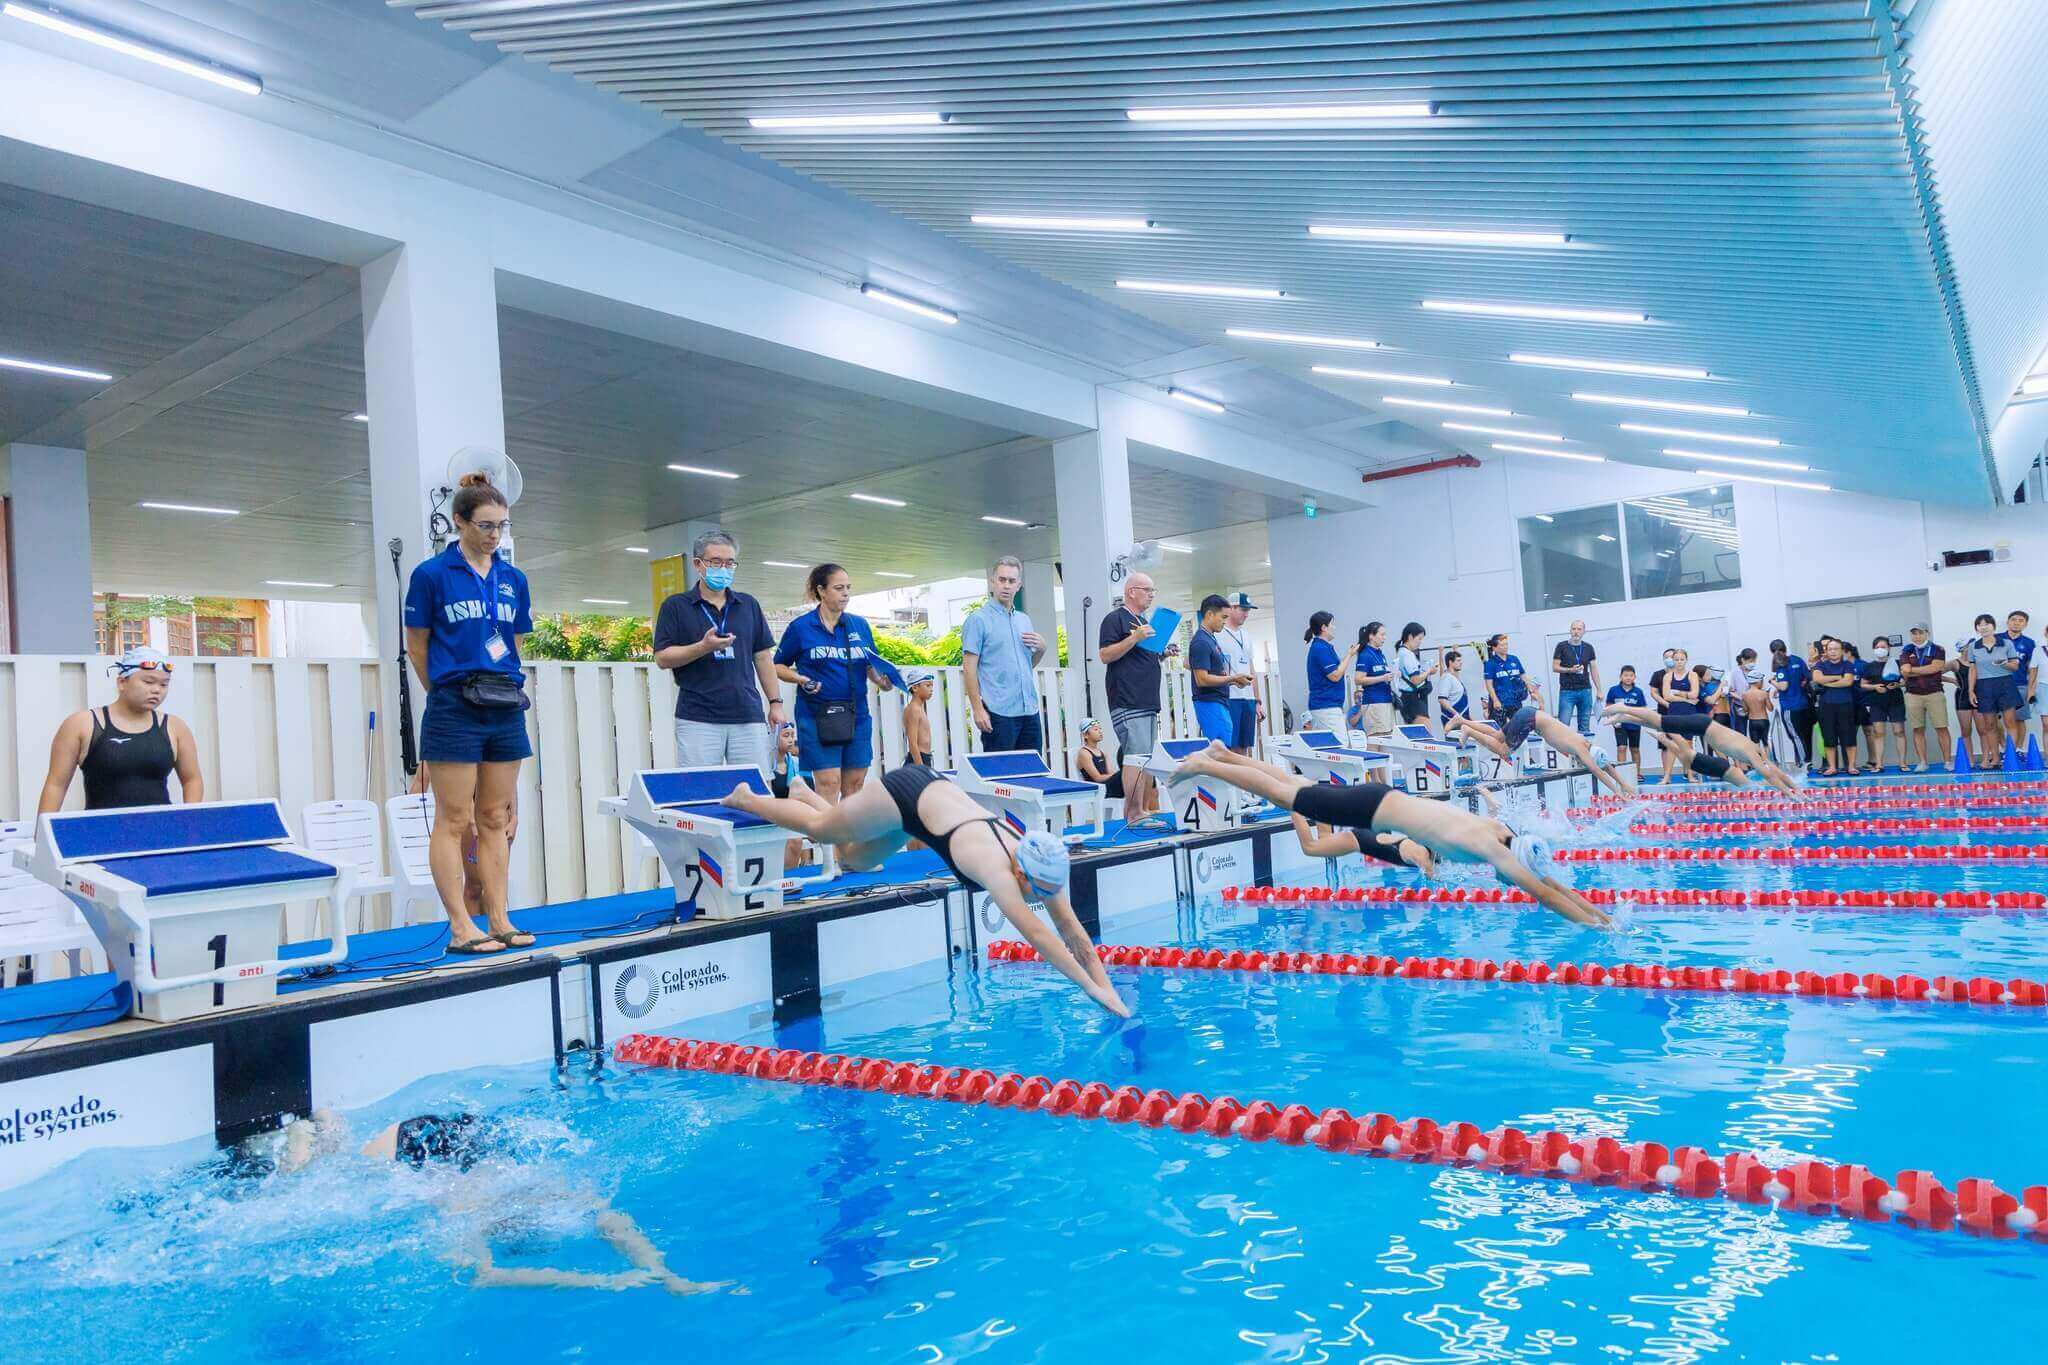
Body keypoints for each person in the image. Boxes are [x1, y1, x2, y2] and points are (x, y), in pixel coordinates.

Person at [724, 767, 1129, 1015]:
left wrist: (1109, 992)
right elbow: (1040, 935)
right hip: (906, 795)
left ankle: (803, 794)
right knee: (823, 829)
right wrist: (1089, 989)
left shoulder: (1042, 863)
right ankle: (749, 797)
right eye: (1036, 896)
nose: (1041, 903)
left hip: (932, 808)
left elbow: (1073, 932)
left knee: (855, 860)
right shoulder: (995, 869)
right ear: (1022, 876)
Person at [268, 1110, 733, 1296]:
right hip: (425, 1145)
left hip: (473, 1142)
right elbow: (486, 1276)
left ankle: (322, 1127)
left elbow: (614, 1223)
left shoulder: (539, 1198)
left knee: (348, 1173)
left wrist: (660, 1277)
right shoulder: (475, 1214)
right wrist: (610, 1279)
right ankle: (309, 1134)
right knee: (331, 1178)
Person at [1171, 742, 1611, 927]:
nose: (1517, 878)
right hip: (1372, 808)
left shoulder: (1499, 831)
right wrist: (1595, 928)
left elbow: (1549, 882)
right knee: (1288, 796)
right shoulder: (1492, 851)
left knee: (1294, 788)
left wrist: (1602, 916)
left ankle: (1223, 754)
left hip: (1381, 798)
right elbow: (1545, 894)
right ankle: (1207, 765)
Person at [403, 473, 533, 956]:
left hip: (502, 703)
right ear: (459, 522)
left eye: (501, 525)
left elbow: (514, 645)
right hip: (454, 704)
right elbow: (417, 646)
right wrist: (443, 691)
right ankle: (461, 924)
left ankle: (498, 918)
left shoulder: (513, 579)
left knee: (495, 816)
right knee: (454, 818)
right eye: (484, 525)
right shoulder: (431, 575)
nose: (494, 535)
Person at [652, 528, 783, 778]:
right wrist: (704, 647)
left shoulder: (748, 604)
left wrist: (775, 703)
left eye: (729, 562)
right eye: (716, 562)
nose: (724, 568)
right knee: (701, 790)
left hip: (747, 713)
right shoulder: (676, 606)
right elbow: (662, 657)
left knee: (755, 791)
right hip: (698, 716)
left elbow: (763, 657)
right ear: (698, 564)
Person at [774, 563, 906, 804]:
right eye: (838, 588)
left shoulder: (859, 625)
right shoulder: (801, 627)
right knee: (828, 782)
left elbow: (869, 664)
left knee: (855, 785)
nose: (845, 593)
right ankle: (825, 840)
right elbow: (778, 666)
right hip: (817, 715)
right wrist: (800, 678)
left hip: (856, 715)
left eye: (848, 588)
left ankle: (845, 841)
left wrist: (881, 680)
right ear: (821, 591)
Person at [38, 646, 203, 814]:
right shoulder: (82, 725)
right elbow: (56, 785)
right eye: (148, 682)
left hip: (161, 831)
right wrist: (42, 835)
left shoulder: (175, 728)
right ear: (122, 682)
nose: (157, 690)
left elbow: (192, 780)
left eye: (164, 684)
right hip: (102, 832)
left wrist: (189, 823)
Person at [1600, 701, 1803, 795]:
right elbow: (1769, 775)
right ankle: (1623, 708)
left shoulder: (1755, 751)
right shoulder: (1752, 754)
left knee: (1659, 724)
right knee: (1660, 720)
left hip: (1702, 726)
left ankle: (1625, 716)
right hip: (1702, 726)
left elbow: (1774, 772)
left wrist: (1795, 789)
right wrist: (1789, 794)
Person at [1455, 702, 1638, 798]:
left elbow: (1604, 765)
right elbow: (1598, 770)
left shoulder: (1587, 745)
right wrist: (1617, 792)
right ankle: (1469, 731)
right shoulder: (1581, 749)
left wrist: (1625, 785)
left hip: (1529, 713)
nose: (1583, 762)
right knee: (1504, 751)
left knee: (1498, 736)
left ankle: (1463, 722)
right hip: (1530, 720)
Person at [960, 556, 1047, 755]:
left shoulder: (1024, 620)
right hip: (998, 712)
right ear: (992, 582)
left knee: (1033, 776)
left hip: (1029, 711)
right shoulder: (978, 620)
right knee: (1001, 780)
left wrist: (1042, 649)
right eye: (1002, 579)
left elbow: (1026, 665)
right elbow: (969, 668)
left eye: (1011, 581)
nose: (1006, 585)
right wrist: (977, 709)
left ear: (1019, 585)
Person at [1099, 573, 1165, 826]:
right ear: (1131, 592)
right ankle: (1134, 812)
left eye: (1152, 590)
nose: (1151, 594)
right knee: (1135, 756)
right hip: (1128, 699)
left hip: (1147, 700)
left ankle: (1141, 810)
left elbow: (1139, 657)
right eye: (1147, 590)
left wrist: (1161, 655)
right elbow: (1105, 654)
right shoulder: (1115, 619)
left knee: (1146, 757)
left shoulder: (1143, 621)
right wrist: (1134, 638)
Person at [1290, 810, 1436, 877]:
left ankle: (1315, 802)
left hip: (1366, 836)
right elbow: (1433, 881)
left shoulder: (1422, 849)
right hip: (1360, 841)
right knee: (1309, 847)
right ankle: (1294, 805)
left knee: (1324, 837)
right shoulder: (1422, 856)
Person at [1967, 612, 2027, 764]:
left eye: (1987, 624)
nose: (1984, 627)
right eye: (1980, 625)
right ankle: (1995, 757)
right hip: (1984, 686)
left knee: (2010, 722)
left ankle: (2010, 756)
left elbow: (2015, 666)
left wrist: (2004, 664)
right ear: (1976, 628)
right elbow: (1972, 670)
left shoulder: (2006, 643)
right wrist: (1971, 690)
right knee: (1990, 725)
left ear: (1993, 626)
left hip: (2005, 684)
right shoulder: (1974, 646)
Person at [1189, 594, 1247, 745]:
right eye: (1223, 617)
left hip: (1219, 701)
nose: (1225, 621)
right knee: (1220, 751)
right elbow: (1202, 679)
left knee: (1224, 749)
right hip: (1210, 703)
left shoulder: (1210, 638)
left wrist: (1234, 682)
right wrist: (1232, 679)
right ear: (1209, 614)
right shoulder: (1201, 641)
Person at [1897, 624, 1951, 772]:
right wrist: (1921, 671)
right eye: (1914, 633)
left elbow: (1935, 668)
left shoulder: (1938, 649)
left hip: (1934, 693)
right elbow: (1904, 673)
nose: (1917, 636)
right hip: (1913, 694)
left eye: (1920, 633)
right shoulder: (1906, 650)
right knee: (1918, 728)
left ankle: (1947, 761)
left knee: (1941, 727)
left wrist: (1912, 670)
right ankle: (1922, 762)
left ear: (1927, 633)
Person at [1219, 593, 1262, 755]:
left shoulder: (1247, 635)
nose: (1246, 614)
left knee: (1244, 744)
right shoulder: (1218, 633)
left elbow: (1251, 668)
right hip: (1229, 696)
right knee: (1229, 745)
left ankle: (1242, 779)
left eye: (1248, 610)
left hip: (1248, 697)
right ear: (1231, 608)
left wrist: (1257, 700)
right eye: (1243, 609)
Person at [1856, 635, 1904, 772]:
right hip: (1876, 702)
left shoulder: (1897, 663)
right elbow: (1863, 685)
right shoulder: (1869, 666)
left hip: (1896, 701)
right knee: (1878, 733)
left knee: (1899, 731)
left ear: (1889, 648)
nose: (1880, 649)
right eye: (1877, 647)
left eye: (1883, 647)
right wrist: (1875, 687)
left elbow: (1905, 681)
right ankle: (1879, 764)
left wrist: (1897, 685)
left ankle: (1902, 763)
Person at [1302, 610, 1355, 733]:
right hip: (1325, 707)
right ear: (1324, 628)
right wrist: (1349, 655)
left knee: (1335, 746)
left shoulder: (1323, 647)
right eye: (1332, 624)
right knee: (1340, 746)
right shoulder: (1320, 648)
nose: (1334, 627)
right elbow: (1335, 675)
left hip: (1328, 706)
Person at [1656, 648, 1700, 784]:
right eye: (1676, 659)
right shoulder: (1668, 676)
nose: (1679, 662)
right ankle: (1667, 777)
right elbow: (1667, 696)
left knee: (1687, 744)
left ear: (1686, 660)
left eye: (1682, 659)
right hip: (1674, 713)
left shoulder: (1692, 675)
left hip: (1689, 713)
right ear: (1672, 661)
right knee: (1671, 745)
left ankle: (1691, 775)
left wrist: (1679, 693)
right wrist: (1686, 697)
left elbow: (1695, 694)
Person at [1550, 620, 1600, 736]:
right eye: (1574, 629)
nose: (1576, 632)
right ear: (1570, 630)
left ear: (1584, 631)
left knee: (1584, 726)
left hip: (1585, 691)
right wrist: (1569, 670)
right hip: (1567, 691)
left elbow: (1593, 669)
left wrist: (1599, 689)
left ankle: (1581, 753)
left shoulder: (1588, 647)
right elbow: (1555, 667)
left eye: (1579, 629)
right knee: (1563, 725)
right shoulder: (1562, 646)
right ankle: (1564, 753)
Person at [1769, 640, 1812, 769]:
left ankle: (1804, 762)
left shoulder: (1781, 665)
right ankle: (1805, 759)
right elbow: (1807, 677)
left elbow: (1783, 686)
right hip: (1803, 704)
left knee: (1795, 735)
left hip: (1790, 706)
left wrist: (1772, 682)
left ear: (1772, 652)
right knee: (1803, 734)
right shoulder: (1797, 660)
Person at [1350, 621, 1397, 736]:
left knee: (1387, 739)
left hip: (1386, 701)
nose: (1384, 638)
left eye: (1385, 635)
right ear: (1371, 636)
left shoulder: (1380, 654)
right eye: (1382, 634)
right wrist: (1382, 678)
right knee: (1376, 739)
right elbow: (1358, 679)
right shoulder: (1365, 655)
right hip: (1374, 703)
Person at [1482, 633, 1539, 721]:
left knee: (1519, 728)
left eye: (1506, 644)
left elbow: (1523, 677)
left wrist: (1531, 691)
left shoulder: (1514, 659)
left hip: (1515, 701)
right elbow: (1489, 685)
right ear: (1494, 648)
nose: (1505, 647)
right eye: (1502, 645)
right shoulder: (1490, 663)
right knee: (1499, 730)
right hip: (1500, 702)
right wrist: (1495, 700)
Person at [2005, 610, 2039, 743]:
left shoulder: (2029, 643)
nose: (2016, 623)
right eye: (2014, 619)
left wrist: (2031, 688)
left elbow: (2032, 668)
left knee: (2019, 719)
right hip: (1998, 685)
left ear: (2025, 624)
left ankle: (2018, 749)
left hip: (2020, 685)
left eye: (2021, 621)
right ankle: (2003, 749)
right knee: (1994, 720)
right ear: (2008, 622)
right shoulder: (1997, 639)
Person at [1393, 622, 1437, 726]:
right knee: (1425, 737)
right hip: (1413, 701)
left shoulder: (1402, 652)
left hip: (1410, 700)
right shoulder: (1407, 654)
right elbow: (1415, 679)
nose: (1420, 642)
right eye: (1419, 638)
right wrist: (1429, 671)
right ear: (1410, 636)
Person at [1605, 664, 1646, 769]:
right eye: (1626, 675)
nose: (1628, 678)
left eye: (1631, 675)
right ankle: (1622, 772)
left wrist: (1640, 720)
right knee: (1621, 748)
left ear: (1634, 677)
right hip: (1620, 725)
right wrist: (1612, 721)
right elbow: (1608, 707)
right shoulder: (1613, 690)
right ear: (1621, 677)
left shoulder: (1638, 692)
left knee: (1635, 749)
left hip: (1634, 725)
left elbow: (1643, 709)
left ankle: (1637, 774)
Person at [1074, 717, 1123, 798]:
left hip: (1107, 785)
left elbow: (1110, 773)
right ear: (1085, 735)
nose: (1100, 731)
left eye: (1100, 729)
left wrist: (1120, 775)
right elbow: (1097, 778)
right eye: (1096, 729)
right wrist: (1121, 775)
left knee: (1134, 775)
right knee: (1127, 775)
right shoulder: (1084, 753)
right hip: (1099, 790)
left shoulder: (1103, 752)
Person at [1733, 649, 1772, 747]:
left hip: (1757, 711)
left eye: (1754, 661)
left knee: (1764, 739)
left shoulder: (1756, 672)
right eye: (1750, 661)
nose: (1752, 663)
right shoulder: (1735, 673)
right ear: (1742, 660)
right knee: (1742, 735)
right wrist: (1743, 698)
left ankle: (1767, 759)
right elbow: (1730, 690)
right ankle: (1748, 759)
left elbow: (1765, 688)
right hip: (1740, 708)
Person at [1949, 637, 1977, 769]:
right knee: (1966, 731)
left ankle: (1988, 757)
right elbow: (1936, 672)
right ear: (1963, 648)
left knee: (1985, 729)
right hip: (1962, 697)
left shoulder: (1977, 661)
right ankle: (1970, 760)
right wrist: (1951, 680)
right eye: (1969, 645)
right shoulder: (1955, 663)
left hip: (1979, 696)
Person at [900, 668, 936, 767]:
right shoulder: (914, 710)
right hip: (918, 759)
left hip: (923, 758)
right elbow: (912, 743)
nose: (931, 689)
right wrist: (921, 767)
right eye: (927, 685)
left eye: (932, 686)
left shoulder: (918, 708)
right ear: (915, 688)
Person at [1436, 648, 1471, 735]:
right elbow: (1441, 700)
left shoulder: (1455, 678)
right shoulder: (1446, 678)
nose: (1461, 662)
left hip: (1462, 719)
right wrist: (1456, 715)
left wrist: (1470, 718)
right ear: (1451, 662)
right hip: (1452, 720)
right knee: (1457, 747)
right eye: (1458, 661)